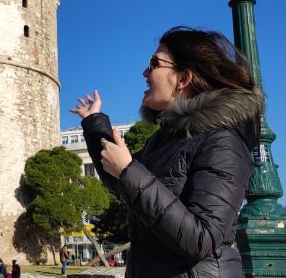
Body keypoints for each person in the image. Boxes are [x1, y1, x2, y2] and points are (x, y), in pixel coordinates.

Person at [71, 27, 262, 278]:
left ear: (183, 79)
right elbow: (119, 180)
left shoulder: (223, 143)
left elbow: (201, 239)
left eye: (154, 64)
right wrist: (95, 125)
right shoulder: (164, 140)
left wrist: (129, 170)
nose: (145, 73)